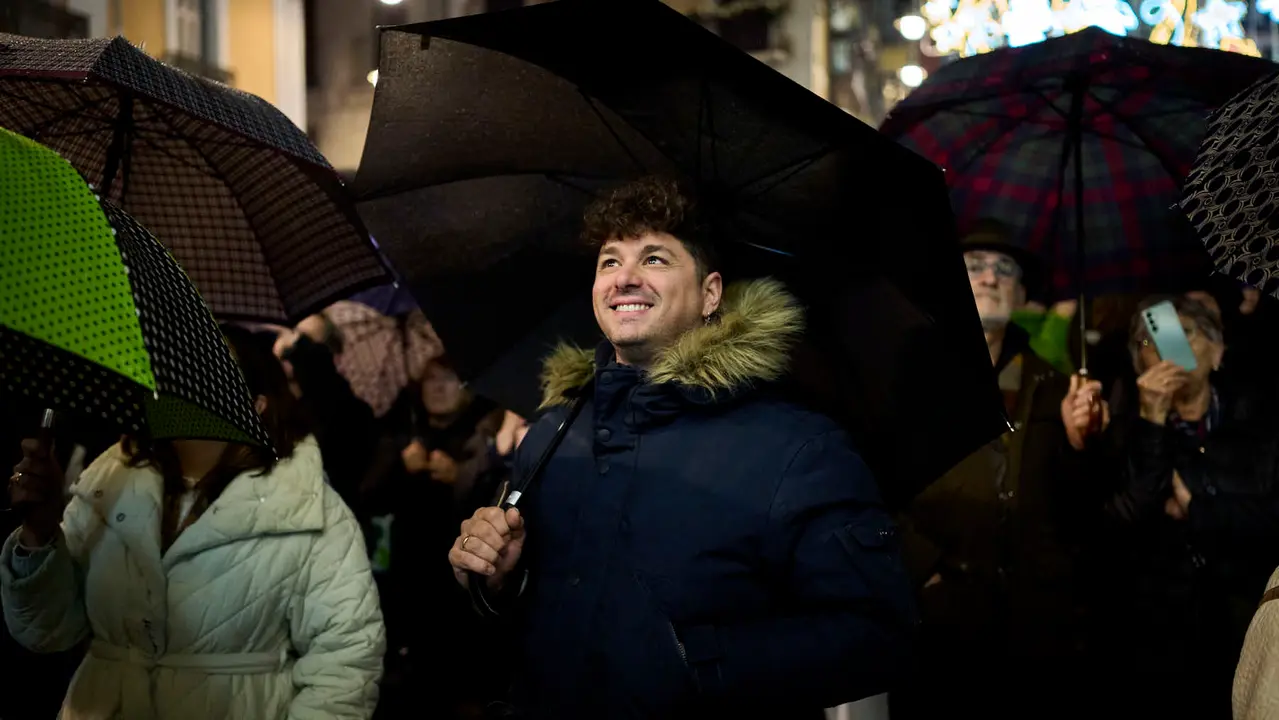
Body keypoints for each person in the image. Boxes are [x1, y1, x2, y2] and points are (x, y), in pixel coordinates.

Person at [446, 177, 915, 719]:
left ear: (710, 294)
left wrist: (699, 662)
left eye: (654, 259)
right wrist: (500, 583)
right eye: (608, 262)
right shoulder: (553, 434)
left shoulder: (797, 449)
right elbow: (519, 632)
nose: (624, 277)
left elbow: (878, 631)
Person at [1, 324, 385, 720]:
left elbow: (346, 661)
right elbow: (46, 629)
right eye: (180, 364)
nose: (188, 378)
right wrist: (40, 533)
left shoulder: (306, 505)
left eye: (213, 368)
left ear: (257, 404)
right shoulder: (108, 482)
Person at [892, 220, 1107, 719]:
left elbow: (1080, 510)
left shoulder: (1054, 384)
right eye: (975, 267)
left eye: (1004, 269)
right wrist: (925, 570)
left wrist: (1083, 446)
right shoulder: (909, 379)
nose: (990, 277)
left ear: (1022, 293)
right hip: (942, 622)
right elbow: (870, 487)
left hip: (1037, 631)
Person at [1088, 295, 1279, 718]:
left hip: (1242, 621)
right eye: (1147, 339)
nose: (1162, 345)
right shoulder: (1122, 431)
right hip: (1155, 632)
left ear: (1219, 350)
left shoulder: (1261, 423)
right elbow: (1124, 518)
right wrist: (1151, 423)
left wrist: (1196, 508)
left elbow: (1271, 519)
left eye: (1183, 332)